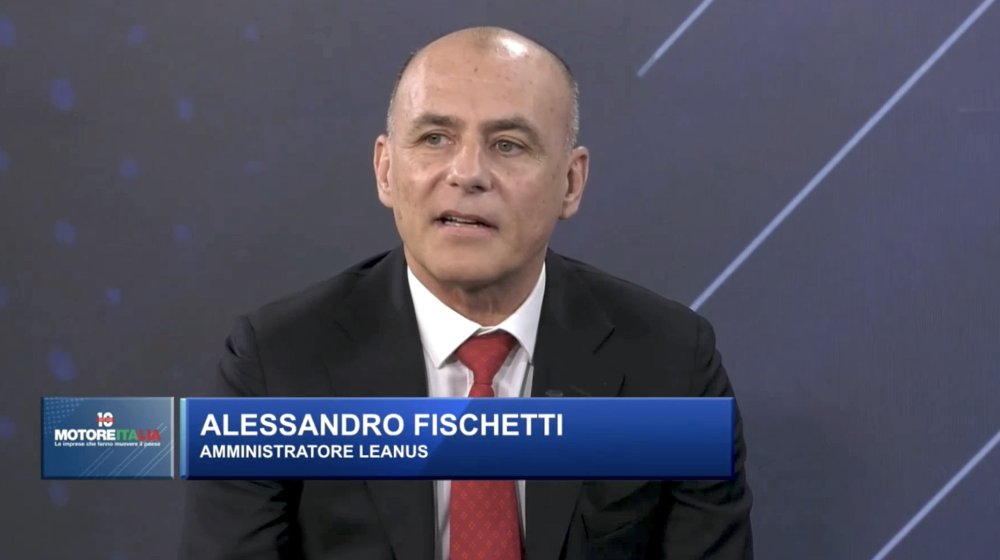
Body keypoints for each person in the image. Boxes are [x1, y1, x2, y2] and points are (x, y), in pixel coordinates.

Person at [180, 26, 753, 560]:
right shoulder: (276, 365)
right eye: (435, 138)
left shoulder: (671, 362)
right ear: (385, 170)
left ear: (571, 182)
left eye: (508, 145)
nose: (467, 172)